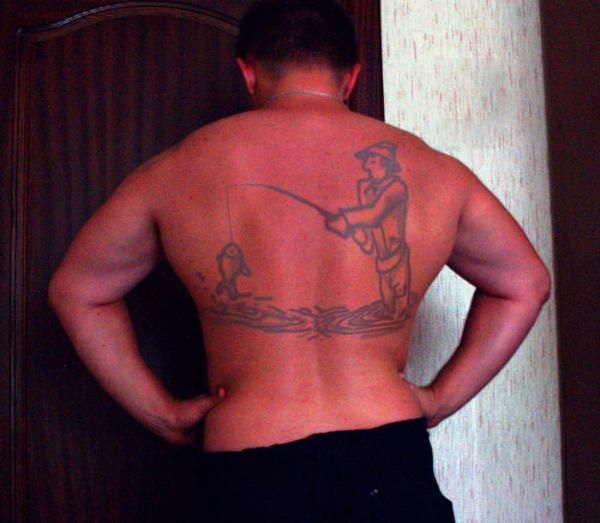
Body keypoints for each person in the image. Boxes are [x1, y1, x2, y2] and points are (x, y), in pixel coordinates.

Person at [47, 0, 550, 521]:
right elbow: (525, 283)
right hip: (389, 462)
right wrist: (440, 399)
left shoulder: (176, 169)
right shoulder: (436, 171)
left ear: (248, 73)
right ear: (351, 77)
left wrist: (164, 415)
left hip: (248, 466)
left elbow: (77, 291)